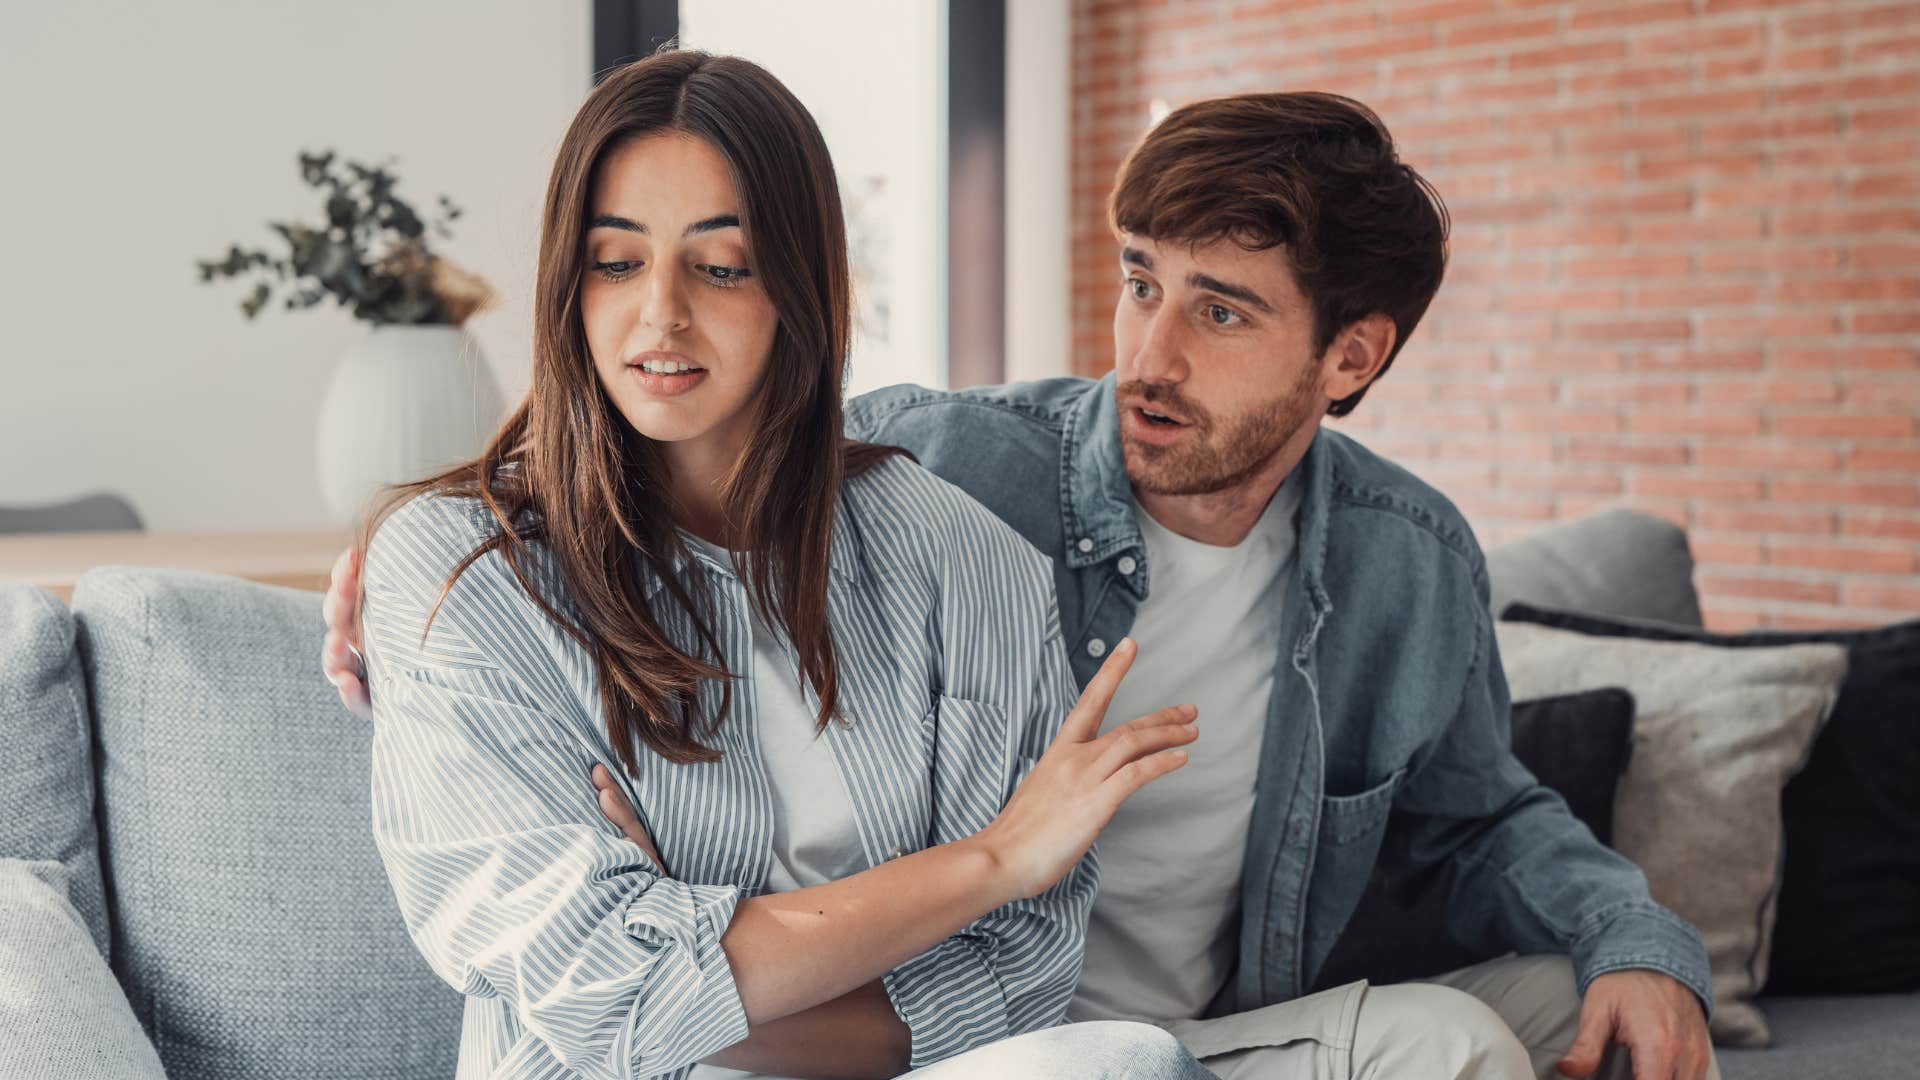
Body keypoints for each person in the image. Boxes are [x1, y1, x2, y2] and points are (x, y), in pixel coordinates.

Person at [331, 88, 1723, 1079]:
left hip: (1131, 1025)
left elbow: (1482, 820)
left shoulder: (1401, 563)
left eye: (1220, 310)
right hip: (970, 1035)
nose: (1149, 353)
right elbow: (702, 422)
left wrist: (1639, 944)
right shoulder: (961, 469)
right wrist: (419, 556)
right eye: (1139, 284)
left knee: (1535, 1016)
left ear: (1348, 357)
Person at [350, 49, 1215, 1080]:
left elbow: (1016, 977)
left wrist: (697, 946)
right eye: (615, 261)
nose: (660, 312)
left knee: (1127, 1063)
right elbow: (599, 993)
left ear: (799, 286)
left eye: (721, 266)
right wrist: (989, 861)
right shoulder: (465, 572)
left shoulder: (963, 559)